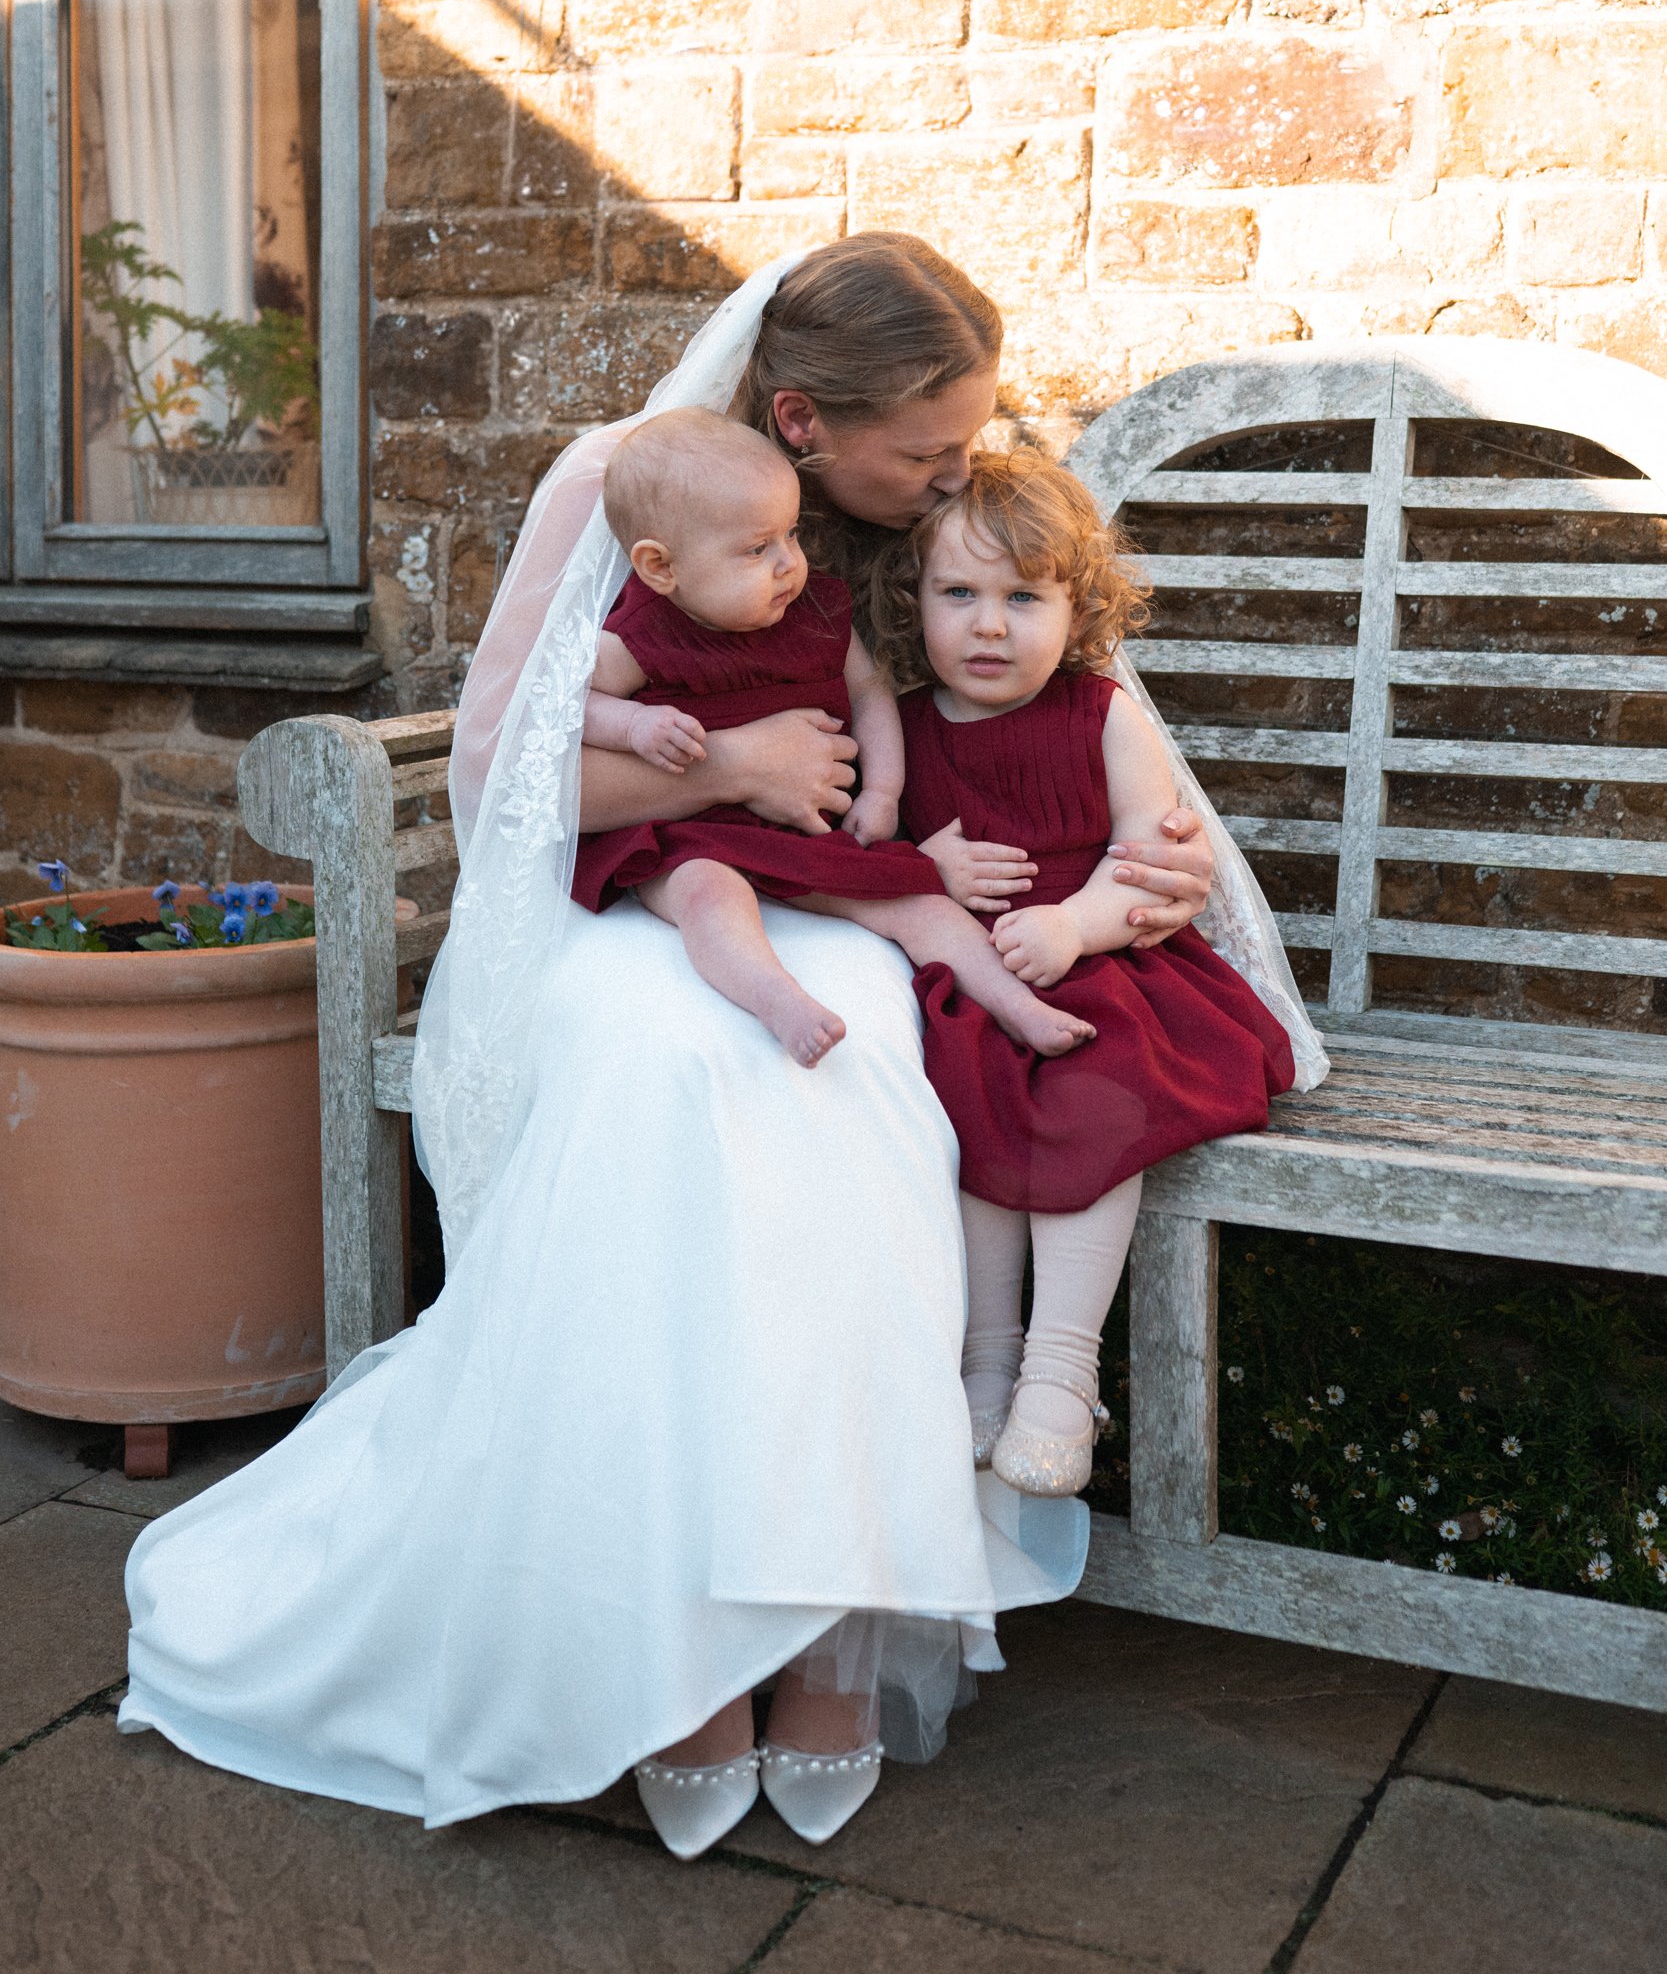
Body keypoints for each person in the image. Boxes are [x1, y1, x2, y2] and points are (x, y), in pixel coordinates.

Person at [121, 234, 1311, 1862]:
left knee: (861, 1073)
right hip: (641, 907)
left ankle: (825, 1624)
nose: (959, 469)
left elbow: (1080, 724)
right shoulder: (626, 488)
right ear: (807, 420)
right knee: (675, 1075)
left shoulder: (936, 542)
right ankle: (667, 1639)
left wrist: (1151, 870)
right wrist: (728, 766)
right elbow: (513, 790)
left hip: (874, 907)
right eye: (928, 447)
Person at [876, 450, 1299, 1499]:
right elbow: (867, 853)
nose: (987, 624)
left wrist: (1071, 925)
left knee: (1093, 1092)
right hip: (974, 976)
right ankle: (983, 1363)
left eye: (1023, 597)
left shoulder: (1103, 716)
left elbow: (1149, 872)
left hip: (1107, 969)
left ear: (1078, 607)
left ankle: (1061, 1371)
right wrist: (926, 864)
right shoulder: (903, 724)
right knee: (957, 1087)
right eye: (958, 594)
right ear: (915, 599)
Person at [574, 406, 1094, 1066]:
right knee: (708, 893)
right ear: (660, 567)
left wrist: (882, 790)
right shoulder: (641, 636)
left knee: (917, 901)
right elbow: (562, 710)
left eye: (789, 536)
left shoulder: (813, 610)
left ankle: (1017, 1006)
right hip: (685, 836)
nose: (788, 563)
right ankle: (776, 998)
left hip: (801, 833)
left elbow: (869, 690)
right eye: (755, 549)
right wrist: (633, 723)